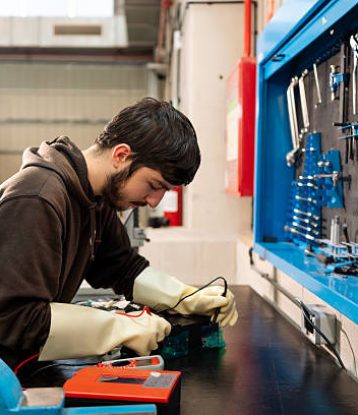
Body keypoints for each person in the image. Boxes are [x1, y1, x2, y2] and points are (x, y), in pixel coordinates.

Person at [0, 97, 238, 369]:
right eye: (153, 185)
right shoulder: (39, 198)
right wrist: (118, 326)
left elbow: (122, 267)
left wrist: (184, 297)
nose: (154, 202)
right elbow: (14, 317)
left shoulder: (93, 198)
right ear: (121, 155)